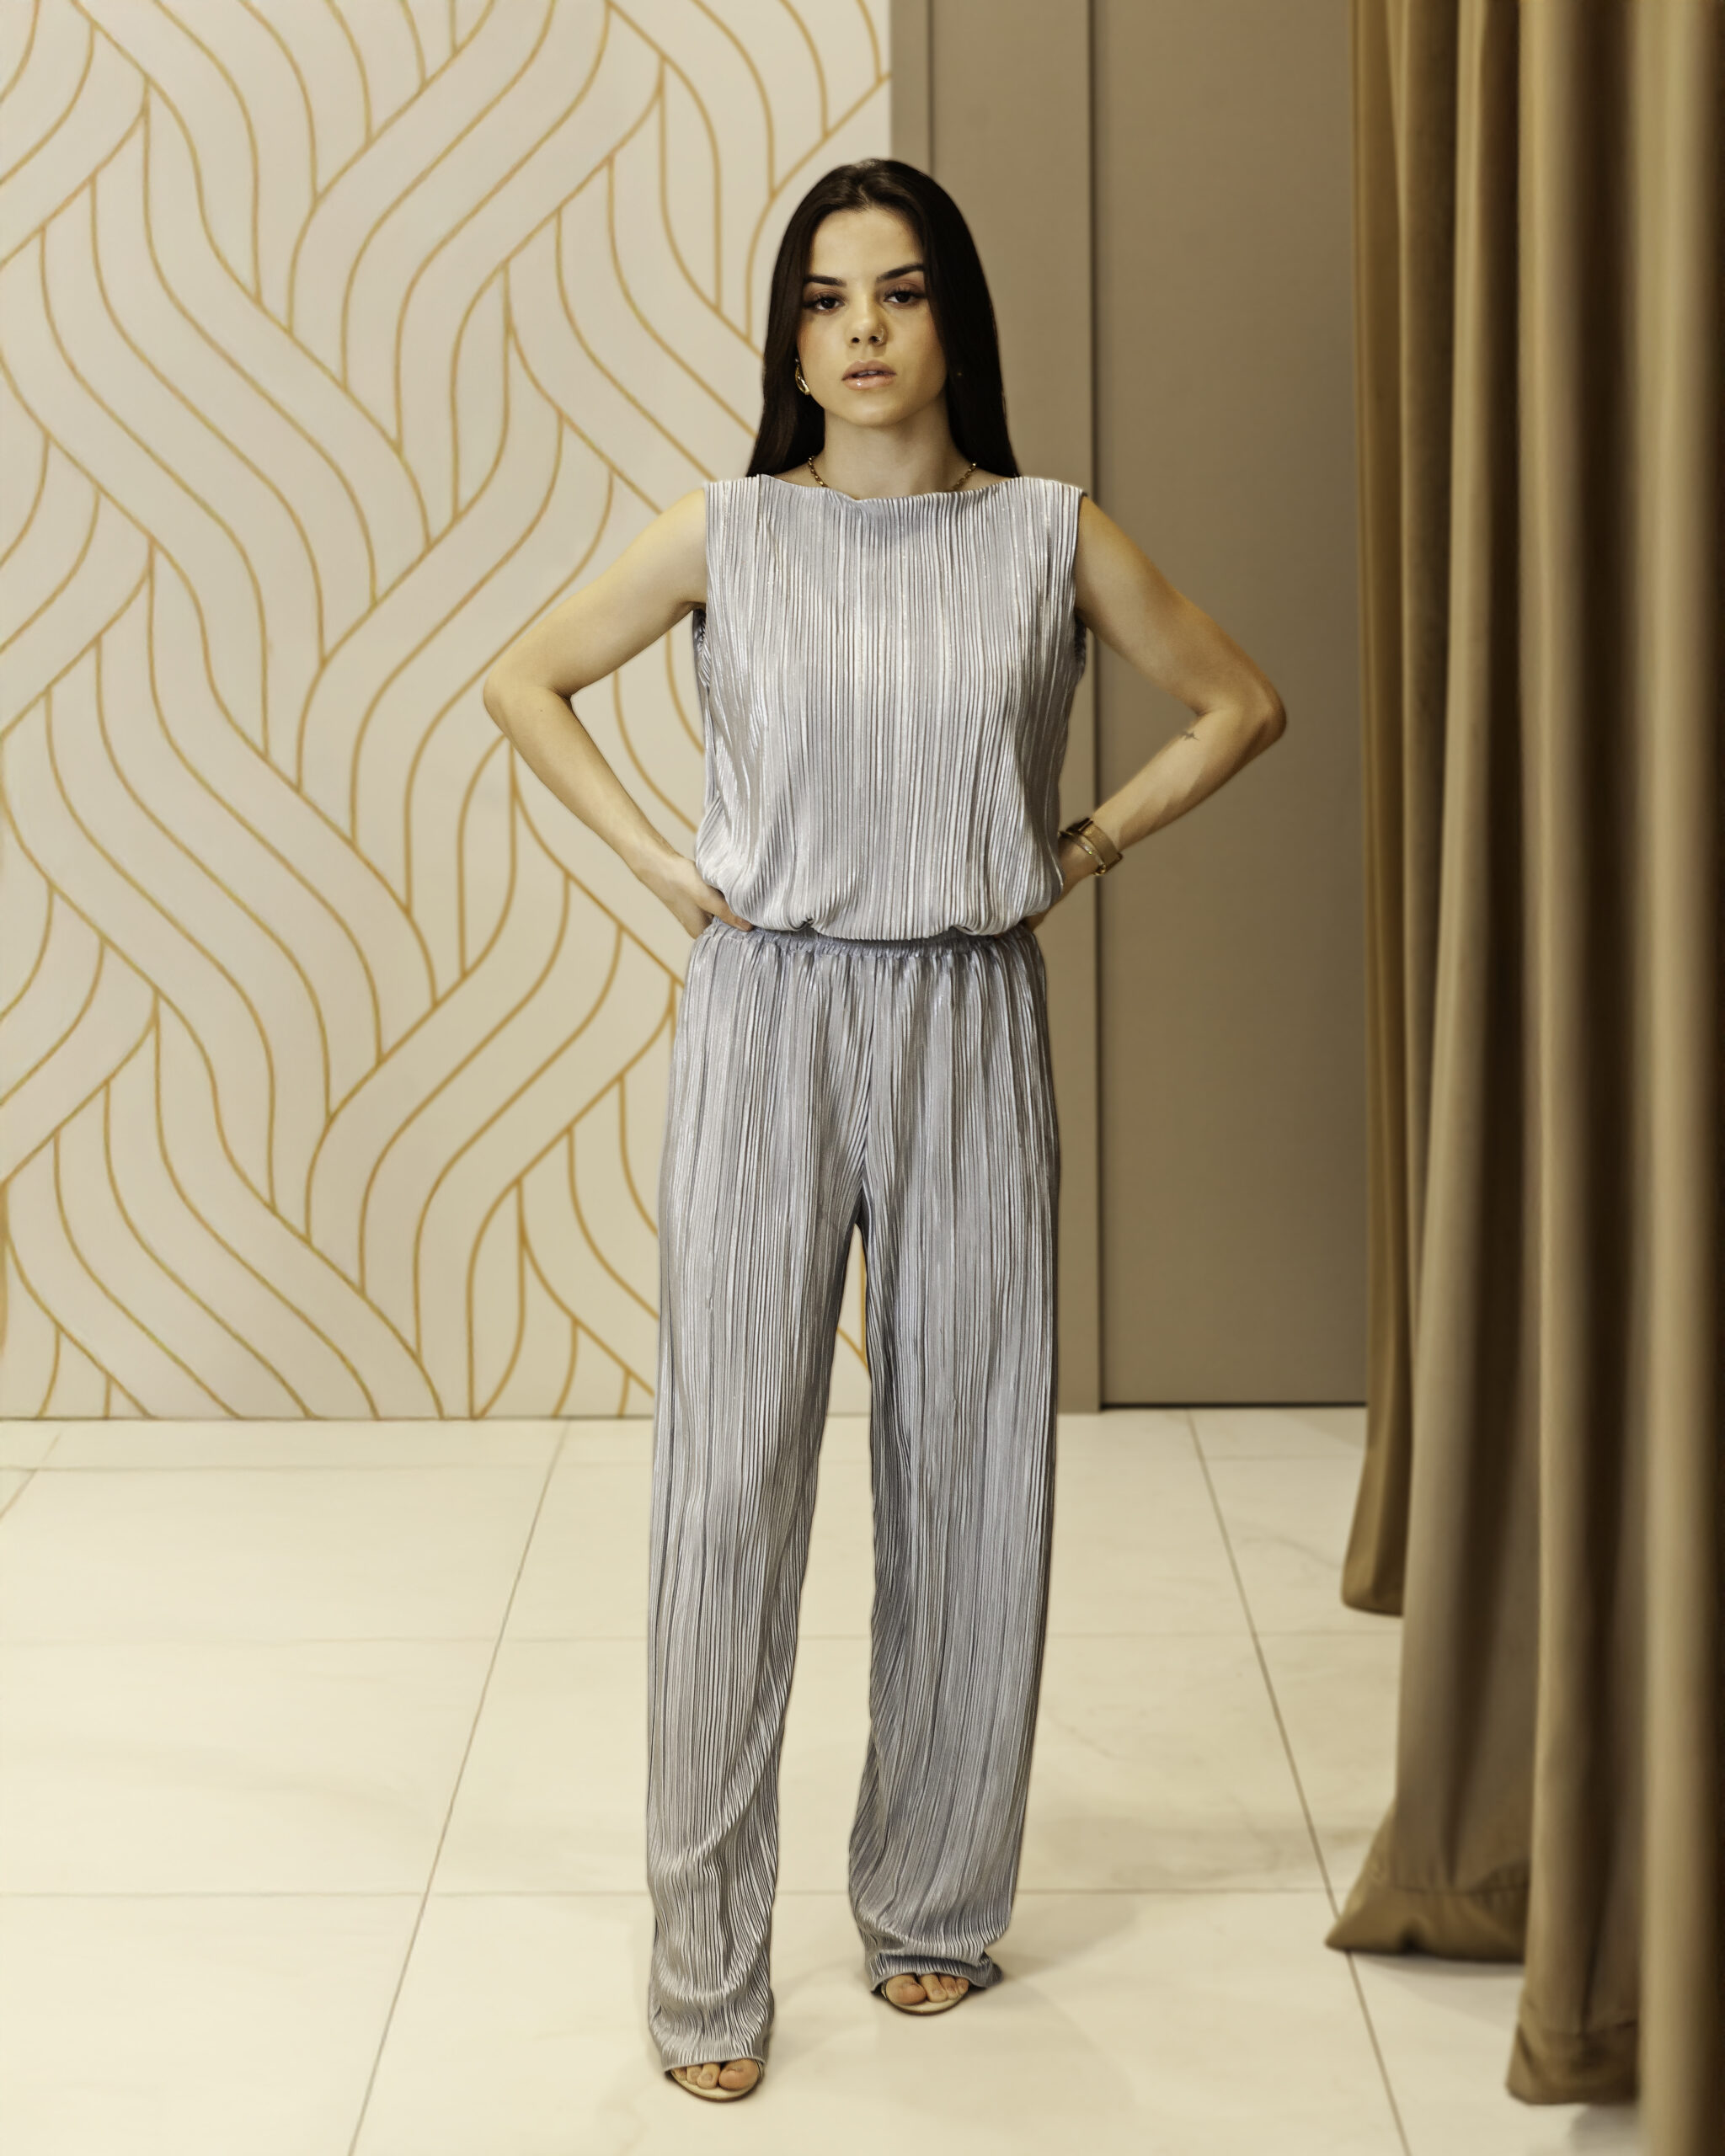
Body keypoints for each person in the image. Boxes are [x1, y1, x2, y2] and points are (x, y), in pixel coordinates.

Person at [483, 156, 1286, 2105]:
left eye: (900, 291)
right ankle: (705, 1964)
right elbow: (524, 678)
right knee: (725, 1492)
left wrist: (1079, 844)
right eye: (826, 298)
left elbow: (1239, 703)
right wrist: (668, 863)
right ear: (791, 340)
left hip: (970, 1016)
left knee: (972, 1467)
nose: (861, 329)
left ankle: (931, 1893)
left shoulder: (1045, 530)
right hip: (767, 1019)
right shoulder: (729, 528)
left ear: (952, 322)